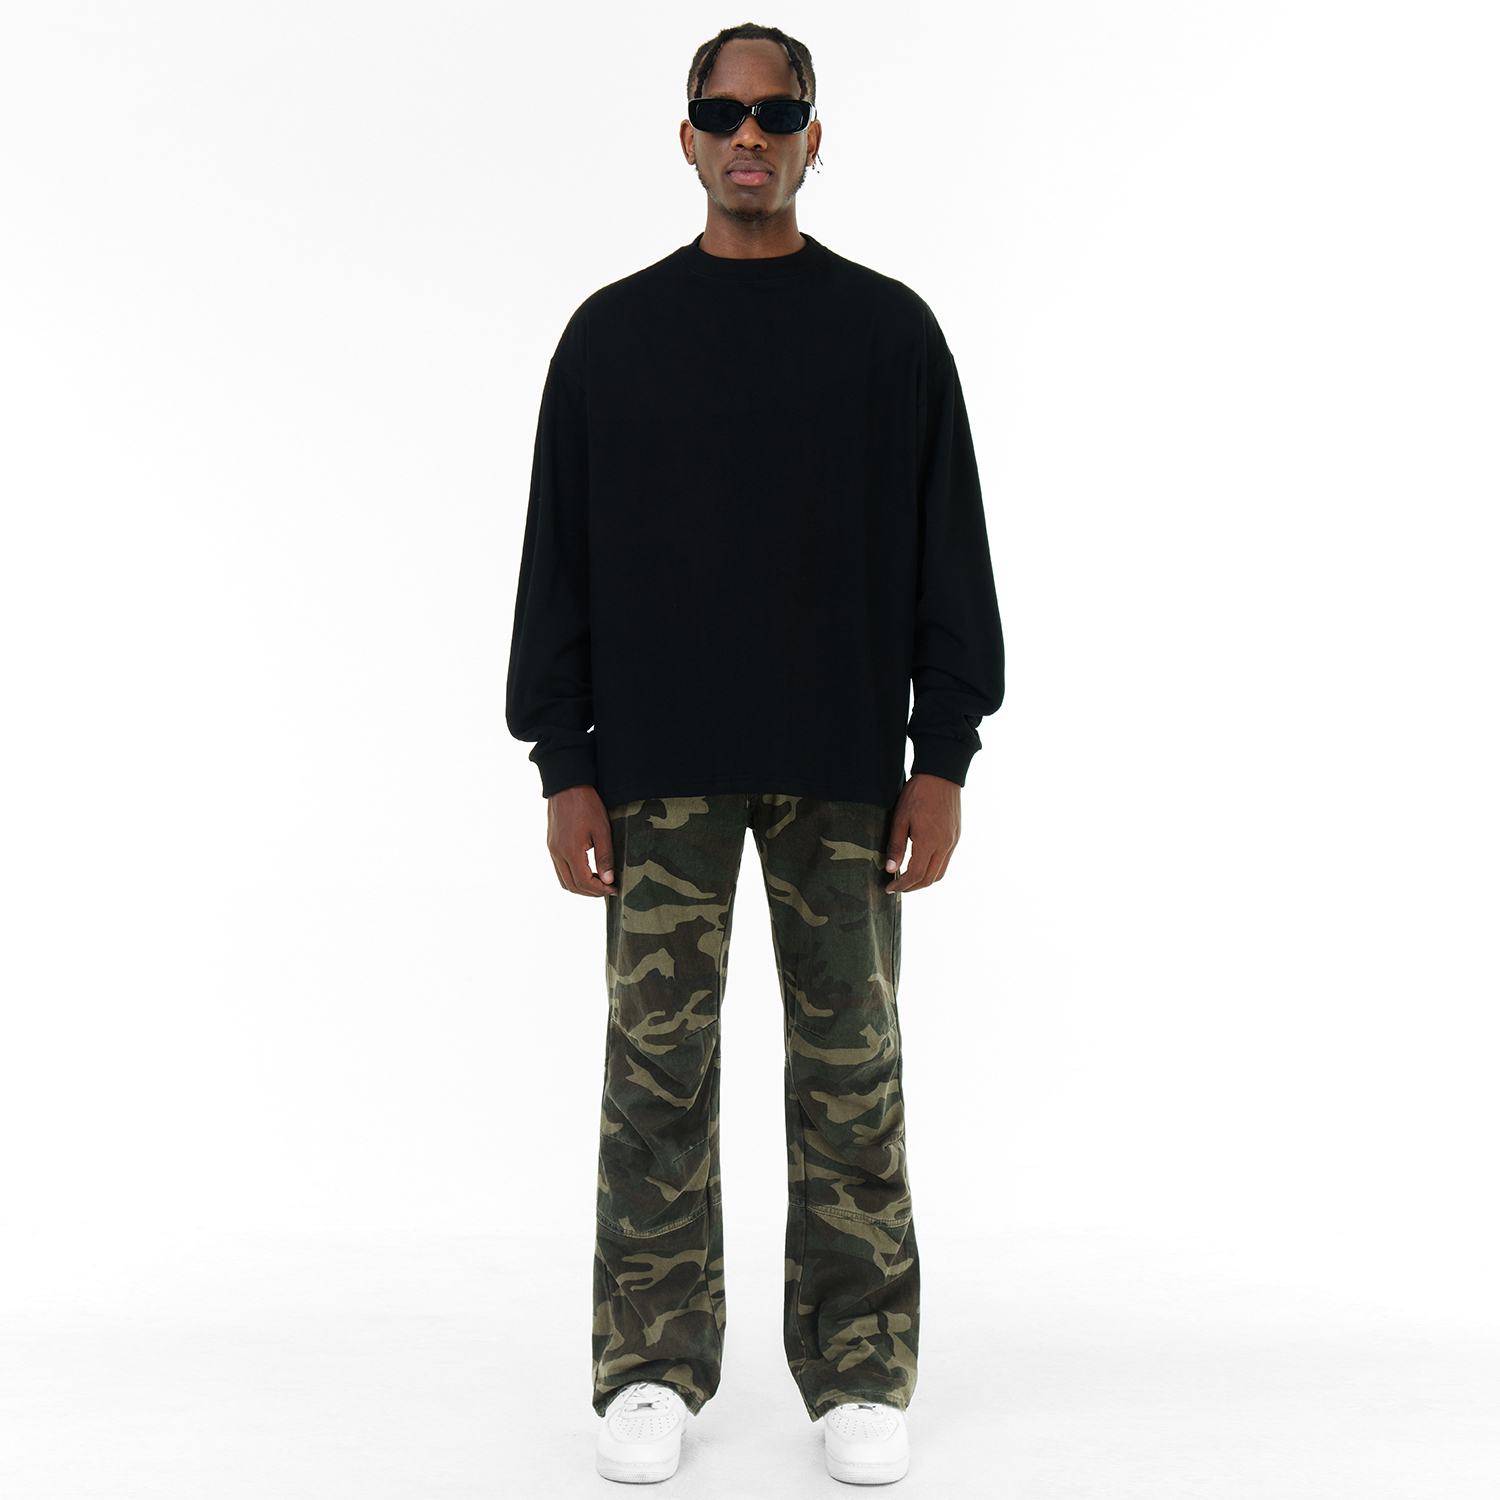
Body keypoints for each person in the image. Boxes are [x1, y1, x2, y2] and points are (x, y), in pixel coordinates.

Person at [505, 21, 1004, 1486]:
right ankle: (650, 1371)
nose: (750, 135)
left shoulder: (890, 333)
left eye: (778, 114)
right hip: (654, 767)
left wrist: (943, 754)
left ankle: (858, 1371)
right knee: (655, 1078)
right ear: (686, 137)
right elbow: (556, 561)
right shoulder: (611, 336)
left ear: (812, 139)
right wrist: (563, 760)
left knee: (851, 1075)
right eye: (723, 112)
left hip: (843, 762)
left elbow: (951, 556)